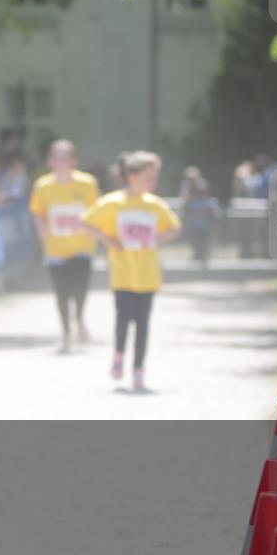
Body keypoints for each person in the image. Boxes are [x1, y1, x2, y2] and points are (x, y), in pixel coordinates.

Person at [80, 151, 181, 391]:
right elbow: (86, 222)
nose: (152, 182)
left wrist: (159, 238)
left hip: (147, 276)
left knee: (143, 324)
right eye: (148, 176)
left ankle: (138, 368)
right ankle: (118, 356)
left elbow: (175, 226)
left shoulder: (154, 204)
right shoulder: (113, 202)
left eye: (154, 177)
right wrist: (107, 240)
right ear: (131, 176)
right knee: (123, 320)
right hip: (123, 275)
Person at [28, 139, 100, 353]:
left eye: (65, 158)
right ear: (50, 161)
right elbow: (38, 211)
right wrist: (41, 228)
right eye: (57, 158)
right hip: (55, 248)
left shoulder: (87, 183)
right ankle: (66, 333)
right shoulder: (43, 185)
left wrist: (89, 226)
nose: (61, 162)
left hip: (82, 246)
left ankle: (79, 318)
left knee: (79, 289)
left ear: (74, 161)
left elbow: (95, 210)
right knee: (61, 292)